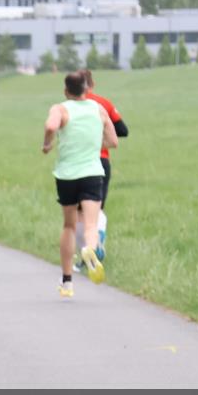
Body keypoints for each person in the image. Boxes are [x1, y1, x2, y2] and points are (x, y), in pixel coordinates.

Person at [43, 70, 118, 296]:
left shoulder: (60, 109)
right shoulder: (99, 109)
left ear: (66, 90)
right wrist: (96, 141)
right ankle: (89, 250)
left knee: (69, 226)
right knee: (91, 224)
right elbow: (113, 141)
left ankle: (67, 282)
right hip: (93, 173)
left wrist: (47, 144)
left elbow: (50, 126)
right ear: (86, 89)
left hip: (66, 175)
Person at [82, 69, 129, 258]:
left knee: (80, 213)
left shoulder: (69, 106)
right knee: (97, 207)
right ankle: (98, 239)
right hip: (102, 161)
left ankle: (88, 252)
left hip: (80, 162)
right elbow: (123, 130)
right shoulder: (104, 103)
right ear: (92, 85)